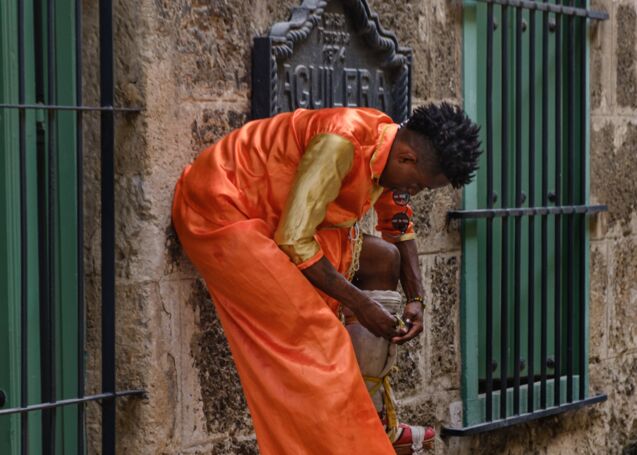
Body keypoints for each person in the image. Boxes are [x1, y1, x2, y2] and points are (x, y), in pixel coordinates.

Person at [172, 103, 481, 454]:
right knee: (320, 339)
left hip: (279, 220)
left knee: (384, 259)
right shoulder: (341, 142)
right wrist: (360, 304)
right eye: (417, 185)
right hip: (220, 210)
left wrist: (416, 298)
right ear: (407, 158)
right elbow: (293, 240)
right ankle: (350, 442)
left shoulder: (391, 144)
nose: (415, 192)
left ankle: (369, 418)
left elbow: (398, 222)